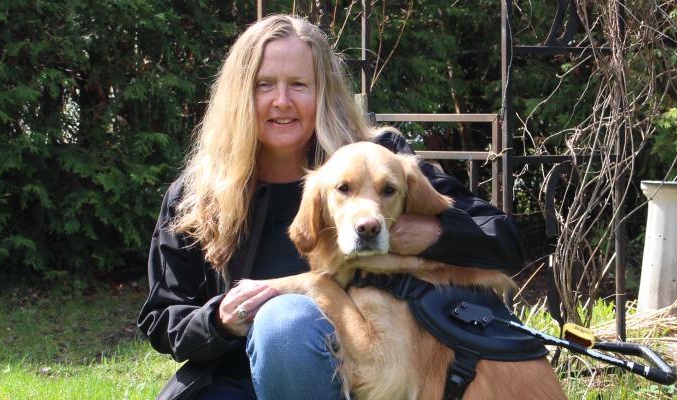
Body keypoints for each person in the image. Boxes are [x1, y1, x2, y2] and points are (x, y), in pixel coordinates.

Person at [136, 14, 524, 400]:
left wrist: (431, 233)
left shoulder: (377, 162)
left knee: (285, 323)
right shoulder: (197, 194)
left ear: (323, 92)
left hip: (366, 380)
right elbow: (162, 319)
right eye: (264, 85)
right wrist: (219, 321)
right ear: (239, 95)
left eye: (299, 85)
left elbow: (503, 240)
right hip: (231, 382)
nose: (281, 101)